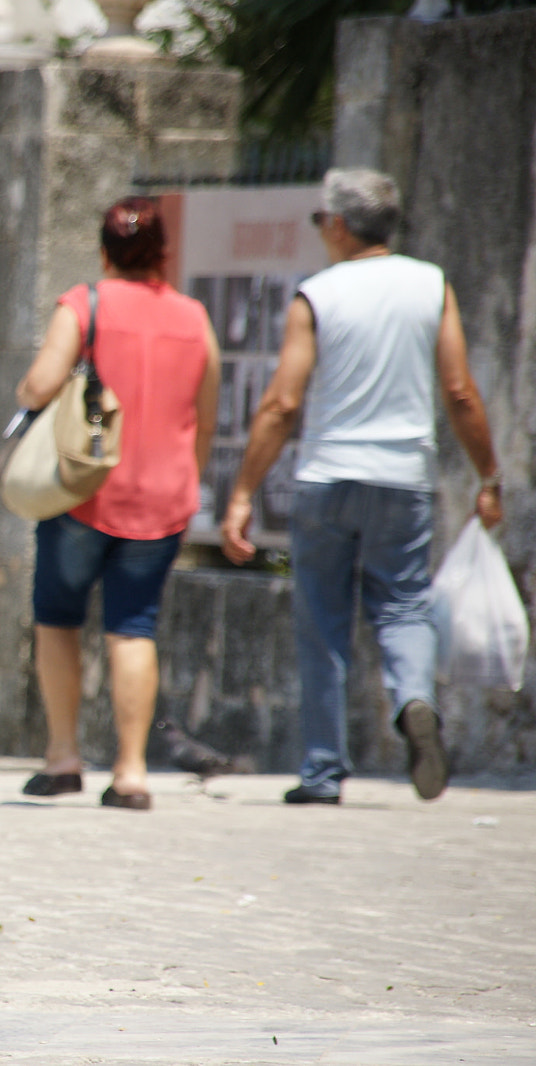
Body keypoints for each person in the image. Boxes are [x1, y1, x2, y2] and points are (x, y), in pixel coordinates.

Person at [220, 167, 502, 805]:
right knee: (403, 605)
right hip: (404, 478)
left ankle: (322, 770)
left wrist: (242, 493)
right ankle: (414, 699)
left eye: (321, 221)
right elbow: (459, 390)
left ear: (340, 226)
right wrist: (489, 475)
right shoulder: (431, 286)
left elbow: (282, 404)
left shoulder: (317, 294)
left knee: (322, 623)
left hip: (327, 476)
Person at [15, 198, 221, 810]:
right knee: (133, 628)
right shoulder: (194, 318)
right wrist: (187, 475)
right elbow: (206, 417)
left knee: (58, 619)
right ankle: (130, 772)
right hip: (162, 496)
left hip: (82, 491)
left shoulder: (84, 304)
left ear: (105, 250)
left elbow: (39, 385)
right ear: (163, 253)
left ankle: (62, 757)